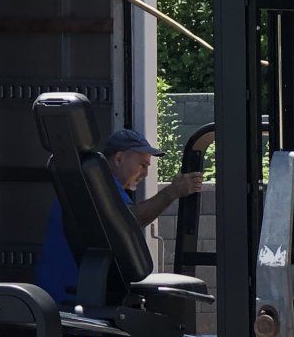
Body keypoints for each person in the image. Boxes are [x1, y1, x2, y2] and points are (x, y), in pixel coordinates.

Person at [34, 127, 204, 306]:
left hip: (66, 291)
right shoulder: (100, 188)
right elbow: (129, 222)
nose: (145, 173)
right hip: (71, 293)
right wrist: (171, 192)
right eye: (143, 165)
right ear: (119, 158)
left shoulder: (89, 184)